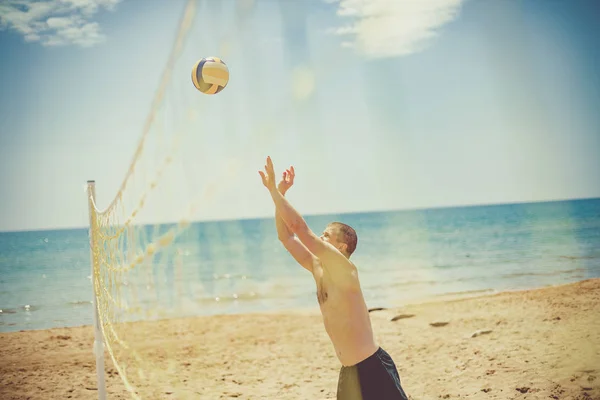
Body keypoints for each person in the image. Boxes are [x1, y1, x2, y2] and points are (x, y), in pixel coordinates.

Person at [259, 156, 409, 400]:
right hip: (349, 372)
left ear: (342, 246)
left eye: (326, 236)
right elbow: (286, 238)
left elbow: (298, 228)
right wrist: (281, 195)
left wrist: (275, 191)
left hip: (372, 368)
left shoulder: (345, 270)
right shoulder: (317, 268)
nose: (320, 238)